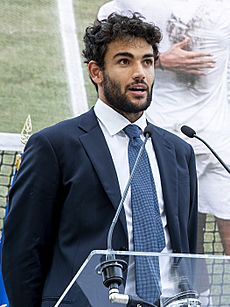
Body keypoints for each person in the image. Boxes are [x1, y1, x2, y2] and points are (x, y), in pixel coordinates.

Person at [2, 13, 198, 307]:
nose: (140, 73)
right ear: (96, 72)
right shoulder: (54, 146)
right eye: (124, 61)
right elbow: (22, 251)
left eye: (147, 61)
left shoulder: (179, 152)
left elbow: (187, 248)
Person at [98, 0, 230, 255]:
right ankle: (193, 296)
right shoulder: (121, 7)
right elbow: (103, 63)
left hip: (217, 140)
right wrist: (160, 61)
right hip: (163, 143)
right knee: (186, 243)